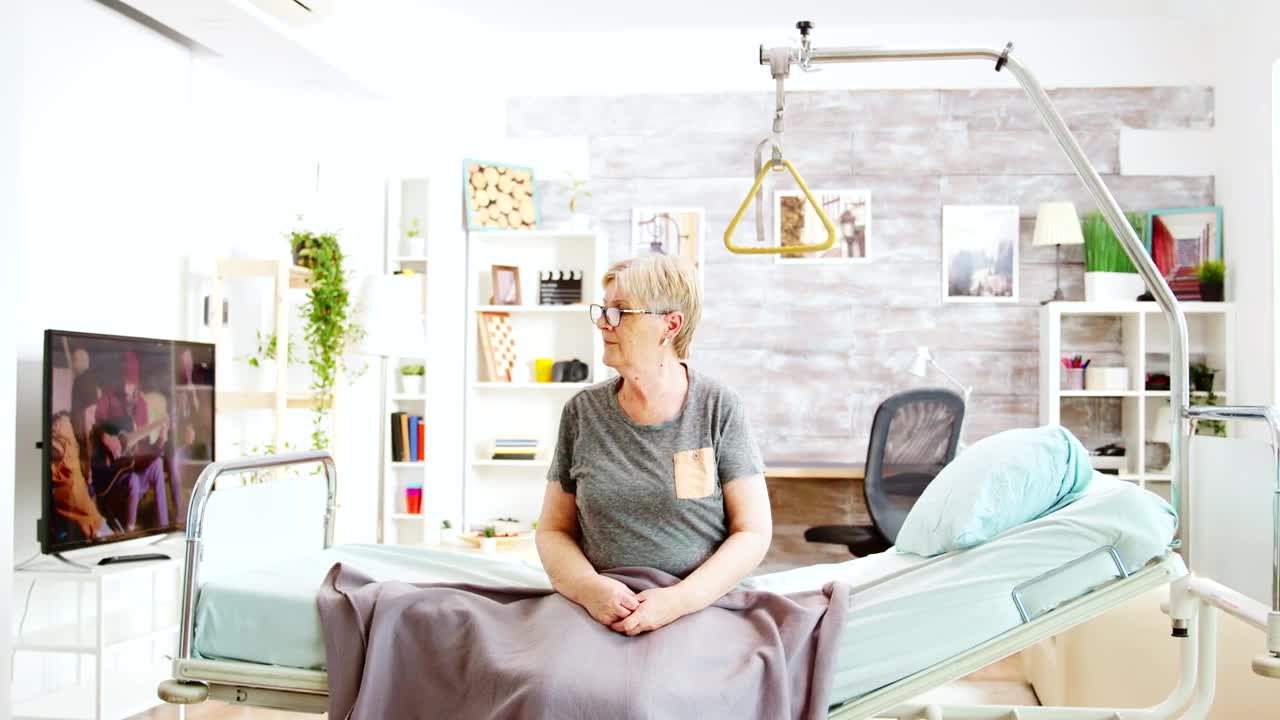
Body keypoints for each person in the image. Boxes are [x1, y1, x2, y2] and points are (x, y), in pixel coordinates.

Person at [536, 254, 772, 637]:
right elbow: (553, 530)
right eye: (603, 309)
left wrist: (679, 600)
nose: (603, 322)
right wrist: (587, 588)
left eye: (619, 311)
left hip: (698, 603)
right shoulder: (581, 412)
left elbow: (753, 532)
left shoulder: (718, 407)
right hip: (601, 606)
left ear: (670, 325)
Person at [48, 411, 111, 543]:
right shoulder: (66, 437)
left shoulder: (75, 447)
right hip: (76, 510)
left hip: (90, 518)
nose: (93, 420)